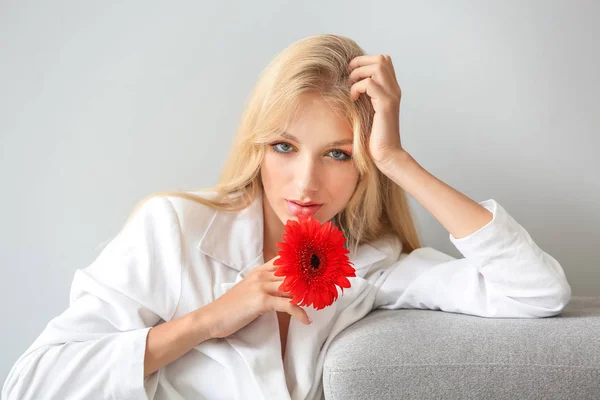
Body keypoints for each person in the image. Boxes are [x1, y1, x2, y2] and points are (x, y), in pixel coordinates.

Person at [2, 33, 572, 400]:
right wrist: (208, 320)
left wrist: (397, 159)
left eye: (338, 154)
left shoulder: (371, 265)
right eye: (284, 147)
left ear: (363, 165)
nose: (306, 183)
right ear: (257, 147)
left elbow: (537, 293)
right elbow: (32, 386)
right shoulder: (174, 229)